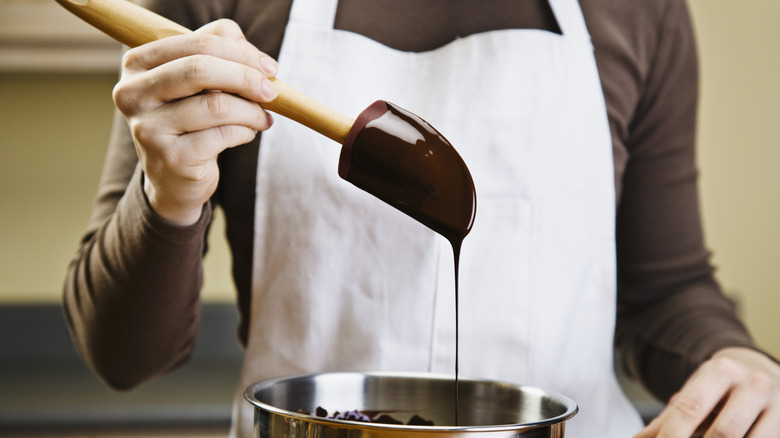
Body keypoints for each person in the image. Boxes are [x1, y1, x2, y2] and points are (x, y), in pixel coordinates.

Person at [63, 0, 780, 436]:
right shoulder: (219, 11)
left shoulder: (639, 11)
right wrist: (171, 193)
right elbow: (123, 358)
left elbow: (666, 289)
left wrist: (740, 362)